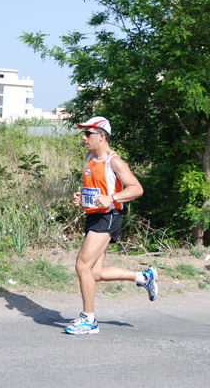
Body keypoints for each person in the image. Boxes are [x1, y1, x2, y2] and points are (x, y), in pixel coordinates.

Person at [65, 116, 157, 335]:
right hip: (94, 217)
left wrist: (113, 198)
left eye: (88, 134)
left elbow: (136, 188)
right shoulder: (90, 156)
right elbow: (94, 187)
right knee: (94, 272)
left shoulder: (114, 161)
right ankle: (144, 277)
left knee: (82, 266)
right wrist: (81, 196)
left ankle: (89, 320)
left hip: (109, 216)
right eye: (84, 133)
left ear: (101, 136)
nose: (84, 138)